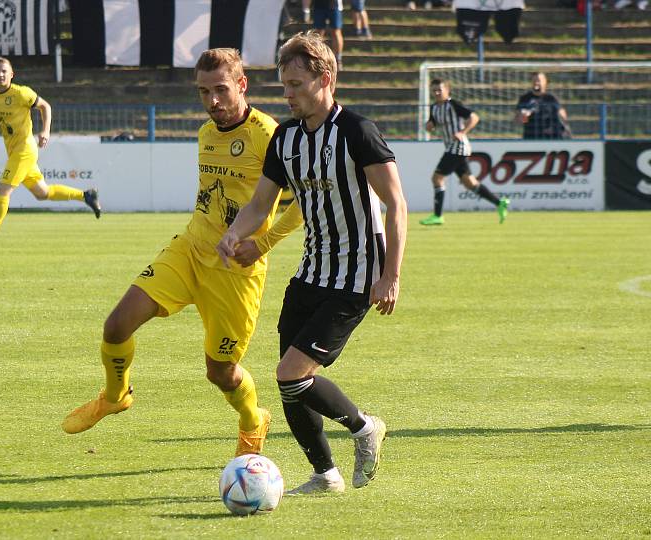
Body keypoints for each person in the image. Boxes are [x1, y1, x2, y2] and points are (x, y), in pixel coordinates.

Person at [61, 48, 304, 458]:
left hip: (235, 274)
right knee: (116, 326)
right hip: (190, 251)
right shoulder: (206, 133)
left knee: (221, 373)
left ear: (241, 85)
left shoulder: (270, 135)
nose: (212, 101)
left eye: (221, 90)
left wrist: (262, 243)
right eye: (203, 92)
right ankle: (116, 394)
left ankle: (252, 420)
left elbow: (302, 201)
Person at [217, 31, 408, 495]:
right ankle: (325, 474)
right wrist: (236, 233)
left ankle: (364, 428)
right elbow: (262, 204)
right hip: (311, 273)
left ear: (325, 79)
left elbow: (396, 205)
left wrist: (390, 275)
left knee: (290, 374)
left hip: (357, 276)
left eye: (296, 85)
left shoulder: (357, 131)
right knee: (289, 375)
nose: (287, 94)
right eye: (283, 85)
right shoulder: (285, 139)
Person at [0, 57, 100, 251]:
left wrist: (45, 131)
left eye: (4, 71)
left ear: (11, 74)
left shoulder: (21, 93)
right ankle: (86, 195)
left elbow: (45, 106)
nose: (0, 74)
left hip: (24, 150)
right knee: (42, 193)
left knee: (2, 192)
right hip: (14, 152)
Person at [420, 78, 509, 225]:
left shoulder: (453, 105)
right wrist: (429, 126)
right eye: (434, 90)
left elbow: (474, 117)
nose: (436, 93)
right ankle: (499, 203)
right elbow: (432, 124)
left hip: (458, 147)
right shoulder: (434, 108)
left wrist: (463, 131)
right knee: (470, 183)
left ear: (447, 90)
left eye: (439, 90)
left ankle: (437, 216)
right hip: (452, 147)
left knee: (437, 178)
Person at [514, 72, 570, 140]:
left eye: (539, 80)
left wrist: (555, 128)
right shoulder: (525, 98)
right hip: (530, 138)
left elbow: (563, 117)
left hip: (549, 139)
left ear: (545, 82)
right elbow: (518, 121)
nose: (536, 83)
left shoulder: (551, 98)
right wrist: (524, 116)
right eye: (534, 80)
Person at [311, 0, 344, 69]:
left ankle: (338, 59)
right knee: (318, 33)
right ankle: (318, 57)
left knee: (336, 32)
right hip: (318, 5)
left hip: (334, 5)